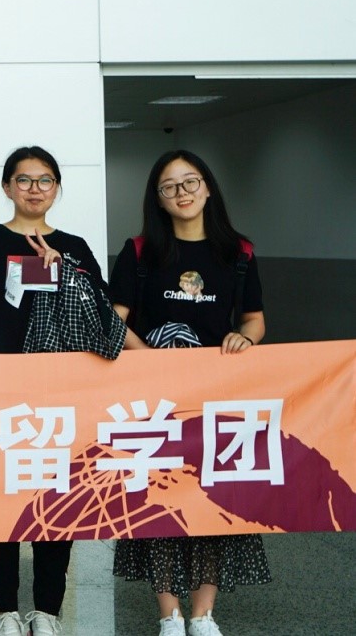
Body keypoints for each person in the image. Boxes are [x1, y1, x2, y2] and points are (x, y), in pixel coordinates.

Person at [108, 150, 268, 636]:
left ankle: (203, 614)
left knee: (213, 501)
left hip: (217, 396)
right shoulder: (139, 252)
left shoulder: (238, 252)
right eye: (169, 186)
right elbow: (115, 319)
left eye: (190, 181)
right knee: (158, 501)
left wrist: (245, 339)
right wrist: (150, 358)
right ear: (157, 199)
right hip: (154, 400)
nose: (182, 193)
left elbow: (254, 320)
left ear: (208, 187)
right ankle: (169, 614)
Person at [0, 146, 102, 636]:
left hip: (59, 394)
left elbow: (99, 317)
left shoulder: (75, 247)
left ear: (57, 188)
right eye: (24, 180)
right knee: (1, 498)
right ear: (7, 187)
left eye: (45, 180)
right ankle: (5, 610)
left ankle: (47, 611)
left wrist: (65, 271)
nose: (34, 189)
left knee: (57, 498)